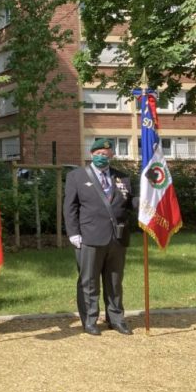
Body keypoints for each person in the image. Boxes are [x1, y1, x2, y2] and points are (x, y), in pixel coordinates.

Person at [64, 138, 137, 336]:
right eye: (97, 154)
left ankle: (116, 318)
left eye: (105, 154)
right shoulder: (77, 176)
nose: (101, 157)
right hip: (89, 236)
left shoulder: (122, 177)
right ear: (91, 155)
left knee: (114, 281)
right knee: (89, 281)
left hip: (117, 238)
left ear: (112, 155)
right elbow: (70, 207)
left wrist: (149, 200)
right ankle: (89, 319)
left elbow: (131, 203)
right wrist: (73, 233)